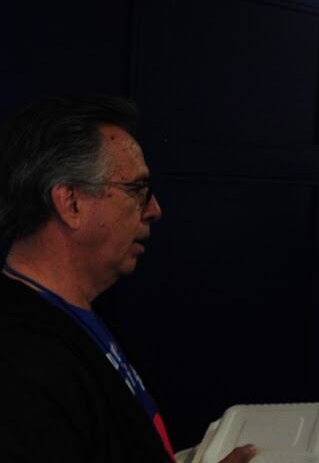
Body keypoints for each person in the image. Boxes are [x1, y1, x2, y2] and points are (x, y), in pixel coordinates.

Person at [0, 96, 256, 463]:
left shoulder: (70, 315)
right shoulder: (20, 365)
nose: (154, 209)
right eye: (137, 190)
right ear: (71, 203)